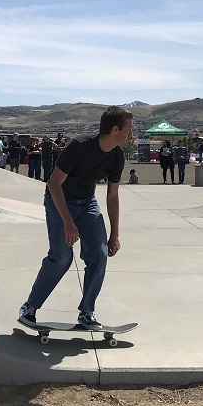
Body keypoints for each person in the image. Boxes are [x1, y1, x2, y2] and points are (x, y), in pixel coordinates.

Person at [18, 106, 133, 330]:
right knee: (61, 257)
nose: (132, 134)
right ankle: (30, 307)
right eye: (129, 129)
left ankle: (87, 312)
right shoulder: (79, 146)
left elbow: (113, 195)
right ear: (115, 129)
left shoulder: (117, 156)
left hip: (87, 203)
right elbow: (53, 184)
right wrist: (68, 222)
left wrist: (115, 234)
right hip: (59, 200)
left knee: (99, 254)